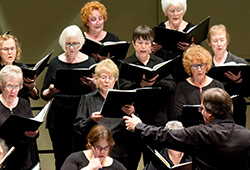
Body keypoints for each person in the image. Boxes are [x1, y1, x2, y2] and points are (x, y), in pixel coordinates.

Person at [124, 88, 250, 169]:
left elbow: (165, 135)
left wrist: (138, 126)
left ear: (210, 112)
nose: (201, 112)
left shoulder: (201, 133)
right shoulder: (247, 135)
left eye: (202, 109)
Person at [119, 25, 176, 169]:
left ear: (151, 44)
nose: (143, 46)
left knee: (155, 165)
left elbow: (171, 87)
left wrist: (155, 81)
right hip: (133, 120)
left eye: (146, 43)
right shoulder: (126, 64)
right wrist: (141, 84)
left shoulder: (159, 63)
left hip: (156, 121)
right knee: (131, 163)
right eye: (139, 43)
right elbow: (124, 88)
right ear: (133, 44)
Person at [41, 25, 96, 170]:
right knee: (61, 156)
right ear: (63, 43)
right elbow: (44, 94)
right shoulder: (55, 62)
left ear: (81, 43)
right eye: (68, 44)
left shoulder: (90, 62)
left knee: (83, 155)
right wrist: (52, 91)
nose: (71, 47)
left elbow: (97, 92)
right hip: (59, 116)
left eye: (75, 43)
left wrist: (93, 85)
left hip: (82, 114)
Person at [74, 58, 134, 169]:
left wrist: (132, 113)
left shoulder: (125, 98)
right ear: (96, 79)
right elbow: (78, 128)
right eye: (103, 77)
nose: (107, 81)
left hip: (120, 153)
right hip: (95, 154)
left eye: (111, 78)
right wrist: (91, 120)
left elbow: (134, 128)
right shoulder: (87, 99)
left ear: (115, 80)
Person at [207, 24, 249, 127]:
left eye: (222, 40)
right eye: (215, 41)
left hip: (235, 113)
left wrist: (239, 81)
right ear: (209, 43)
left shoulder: (239, 63)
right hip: (212, 113)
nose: (219, 44)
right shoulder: (206, 64)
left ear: (227, 40)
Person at [0, 65, 39, 170]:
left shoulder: (23, 103)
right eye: (9, 86)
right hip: (3, 159)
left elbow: (32, 125)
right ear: (1, 86)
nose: (13, 90)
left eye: (17, 86)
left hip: (24, 159)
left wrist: (34, 133)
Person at [174, 45, 224, 121]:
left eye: (202, 65)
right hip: (190, 128)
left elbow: (222, 112)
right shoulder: (181, 86)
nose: (199, 69)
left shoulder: (217, 85)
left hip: (213, 127)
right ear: (189, 67)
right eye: (195, 66)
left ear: (207, 65)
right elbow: (179, 113)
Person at [152, 0, 194, 83]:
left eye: (179, 10)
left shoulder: (191, 30)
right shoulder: (158, 30)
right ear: (166, 12)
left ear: (184, 11)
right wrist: (153, 50)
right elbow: (150, 56)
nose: (176, 14)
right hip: (164, 79)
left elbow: (202, 57)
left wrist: (191, 49)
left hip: (186, 79)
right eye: (172, 11)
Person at [61, 124, 126, 170]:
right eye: (99, 147)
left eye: (106, 147)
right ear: (90, 143)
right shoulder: (75, 159)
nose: (102, 151)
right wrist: (89, 168)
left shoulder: (117, 166)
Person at [0, 34, 39, 104]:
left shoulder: (22, 68)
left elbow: (35, 96)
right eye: (6, 49)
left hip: (22, 109)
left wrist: (32, 87)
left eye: (12, 48)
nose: (10, 52)